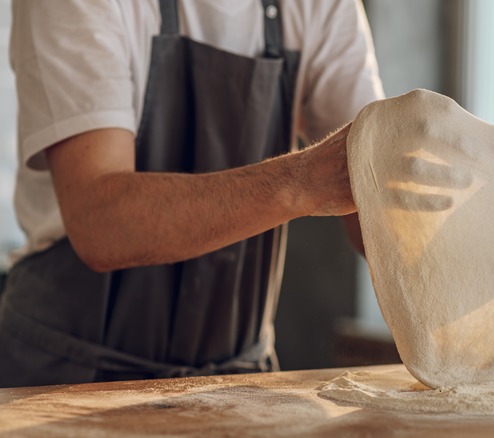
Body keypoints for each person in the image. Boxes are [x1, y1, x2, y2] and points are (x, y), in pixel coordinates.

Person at [0, 0, 384, 387]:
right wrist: (301, 180)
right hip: (69, 375)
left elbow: (371, 185)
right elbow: (101, 221)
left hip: (235, 382)